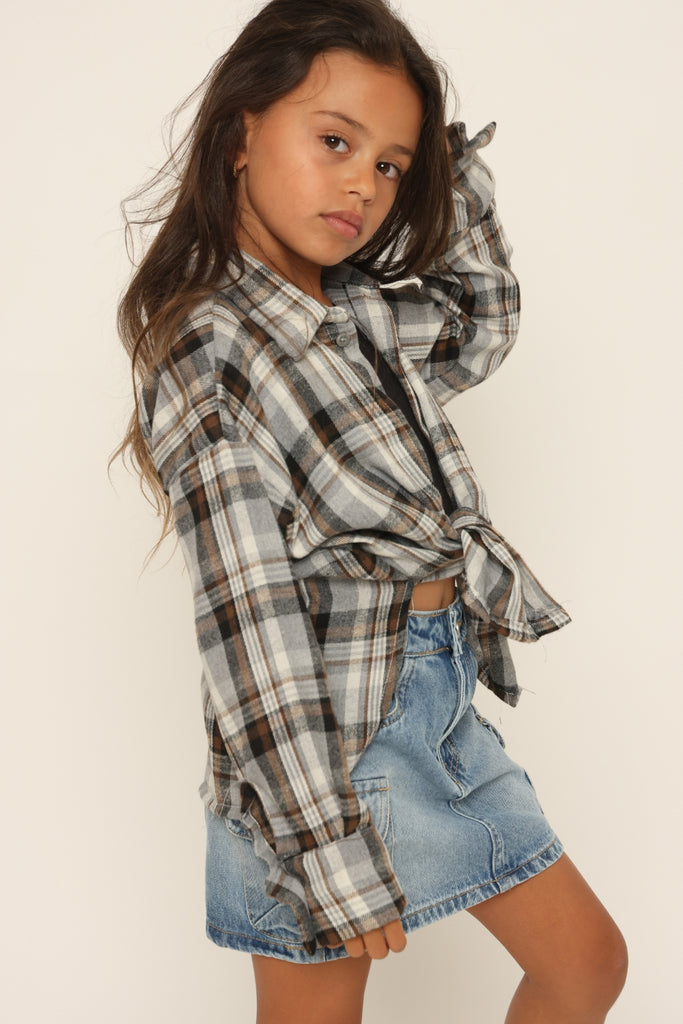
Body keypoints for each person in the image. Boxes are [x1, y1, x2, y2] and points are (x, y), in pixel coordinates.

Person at [115, 1, 627, 1020]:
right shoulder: (210, 350)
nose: (363, 184)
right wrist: (320, 841)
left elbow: (480, 318)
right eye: (335, 141)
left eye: (391, 166)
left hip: (434, 705)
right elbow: (250, 625)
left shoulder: (356, 310)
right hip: (322, 744)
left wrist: (444, 164)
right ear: (239, 136)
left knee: (583, 964)